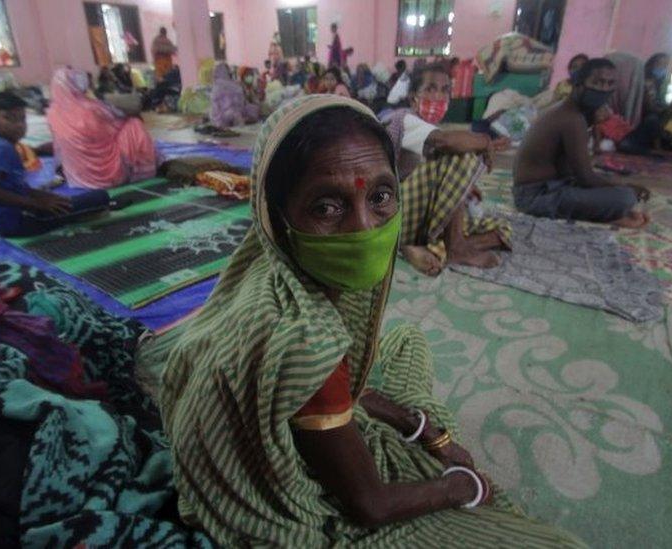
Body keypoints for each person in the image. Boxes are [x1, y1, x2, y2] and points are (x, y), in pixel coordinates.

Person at [136, 93, 585, 548]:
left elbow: (336, 388)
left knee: (407, 341)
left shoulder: (263, 263)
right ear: (276, 214)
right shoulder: (307, 340)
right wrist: (465, 485)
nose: (365, 228)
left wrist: (419, 426)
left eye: (381, 196)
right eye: (327, 207)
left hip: (273, 409)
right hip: (272, 495)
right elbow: (369, 506)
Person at [383, 64, 511, 274]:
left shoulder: (425, 128)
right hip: (389, 213)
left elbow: (432, 161)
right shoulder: (405, 120)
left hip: (408, 212)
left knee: (499, 229)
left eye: (444, 90)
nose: (438, 96)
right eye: (430, 89)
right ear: (414, 96)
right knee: (459, 151)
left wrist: (464, 188)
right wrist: (485, 141)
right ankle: (455, 247)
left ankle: (416, 248)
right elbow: (446, 142)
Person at [514, 58, 650, 228]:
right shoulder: (572, 119)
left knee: (610, 186)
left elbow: (569, 170)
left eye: (610, 84)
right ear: (578, 84)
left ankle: (604, 213)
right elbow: (585, 177)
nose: (604, 89)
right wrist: (625, 186)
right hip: (536, 198)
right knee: (625, 197)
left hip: (547, 189)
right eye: (598, 82)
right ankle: (609, 215)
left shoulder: (572, 113)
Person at [0, 92, 110, 237]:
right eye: (9, 118)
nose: (19, 125)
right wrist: (37, 204)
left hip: (3, 220)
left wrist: (43, 196)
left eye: (22, 119)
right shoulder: (3, 149)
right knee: (100, 198)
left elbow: (15, 187)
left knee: (65, 202)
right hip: (17, 223)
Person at [46, 68, 156, 189]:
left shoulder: (52, 113)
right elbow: (117, 121)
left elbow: (58, 148)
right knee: (134, 124)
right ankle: (141, 171)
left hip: (77, 177)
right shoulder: (91, 108)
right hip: (108, 176)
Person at [210, 63, 259, 128]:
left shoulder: (216, 88)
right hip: (236, 117)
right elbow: (240, 103)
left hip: (222, 120)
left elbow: (216, 107)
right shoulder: (236, 86)